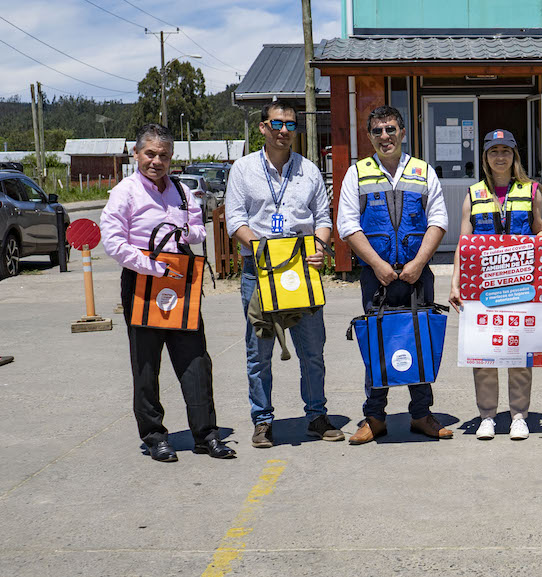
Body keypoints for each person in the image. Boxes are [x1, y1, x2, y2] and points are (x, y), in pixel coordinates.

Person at [101, 123, 234, 462]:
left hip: (180, 280)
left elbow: (195, 231)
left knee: (196, 360)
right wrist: (150, 265)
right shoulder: (125, 191)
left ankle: (206, 433)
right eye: (150, 154)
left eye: (163, 155)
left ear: (171, 157)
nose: (156, 161)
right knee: (146, 364)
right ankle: (154, 435)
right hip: (143, 282)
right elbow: (113, 242)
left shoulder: (180, 189)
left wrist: (190, 234)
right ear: (136, 154)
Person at [224, 100, 343, 448]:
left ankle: (316, 416)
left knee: (313, 350)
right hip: (258, 272)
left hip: (301, 271)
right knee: (258, 353)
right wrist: (260, 248)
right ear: (262, 127)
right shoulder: (243, 170)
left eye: (291, 125)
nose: (284, 131)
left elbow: (322, 217)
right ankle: (262, 421)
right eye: (277, 124)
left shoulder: (309, 170)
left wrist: (320, 247)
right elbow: (236, 220)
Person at [338, 105, 452, 445]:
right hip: (377, 277)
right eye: (377, 131)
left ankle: (421, 415)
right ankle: (374, 417)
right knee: (377, 342)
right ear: (370, 136)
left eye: (390, 129)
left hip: (418, 275)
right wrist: (376, 264)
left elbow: (439, 219)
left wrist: (418, 263)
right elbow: (347, 224)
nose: (384, 137)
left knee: (420, 340)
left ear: (402, 132)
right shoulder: (357, 173)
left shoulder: (423, 171)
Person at [448, 129, 542, 440]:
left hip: (522, 283)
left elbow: (539, 229)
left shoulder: (531, 191)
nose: (500, 157)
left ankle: (518, 416)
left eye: (506, 151)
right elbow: (463, 242)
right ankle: (487, 415)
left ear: (515, 156)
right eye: (494, 151)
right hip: (481, 286)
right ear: (485, 157)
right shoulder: (473, 194)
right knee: (483, 351)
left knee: (520, 349)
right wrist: (455, 283)